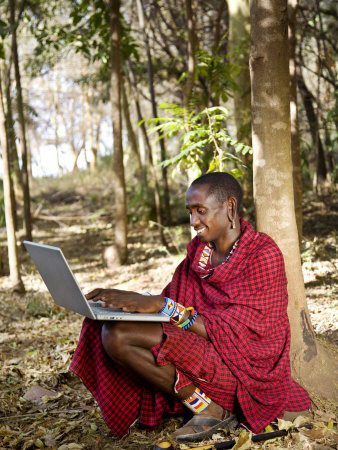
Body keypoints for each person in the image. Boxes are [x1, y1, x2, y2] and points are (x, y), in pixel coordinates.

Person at [70, 172, 311, 442]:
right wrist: (125, 302)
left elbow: (243, 334)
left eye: (200, 210)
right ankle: (201, 403)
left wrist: (163, 305)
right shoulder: (200, 251)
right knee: (107, 328)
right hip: (204, 348)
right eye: (190, 211)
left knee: (117, 336)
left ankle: (209, 408)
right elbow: (173, 301)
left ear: (230, 207)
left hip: (243, 370)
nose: (193, 221)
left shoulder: (262, 254)